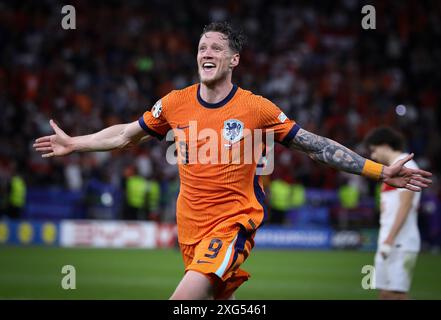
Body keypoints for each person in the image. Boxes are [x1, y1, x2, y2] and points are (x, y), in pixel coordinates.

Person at [33, 22, 432, 300]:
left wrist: (379, 170)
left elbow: (314, 145)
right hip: (189, 232)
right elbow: (124, 134)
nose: (206, 53)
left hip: (231, 226)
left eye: (216, 48)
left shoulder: (256, 108)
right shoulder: (174, 102)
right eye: (202, 47)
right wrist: (76, 144)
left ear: (233, 60)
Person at [365, 127, 423, 300]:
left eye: (374, 150)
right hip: (391, 240)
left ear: (384, 145)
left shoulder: (406, 166)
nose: (373, 156)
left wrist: (390, 239)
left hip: (400, 242)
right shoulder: (391, 170)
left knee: (396, 295)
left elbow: (406, 205)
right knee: (384, 294)